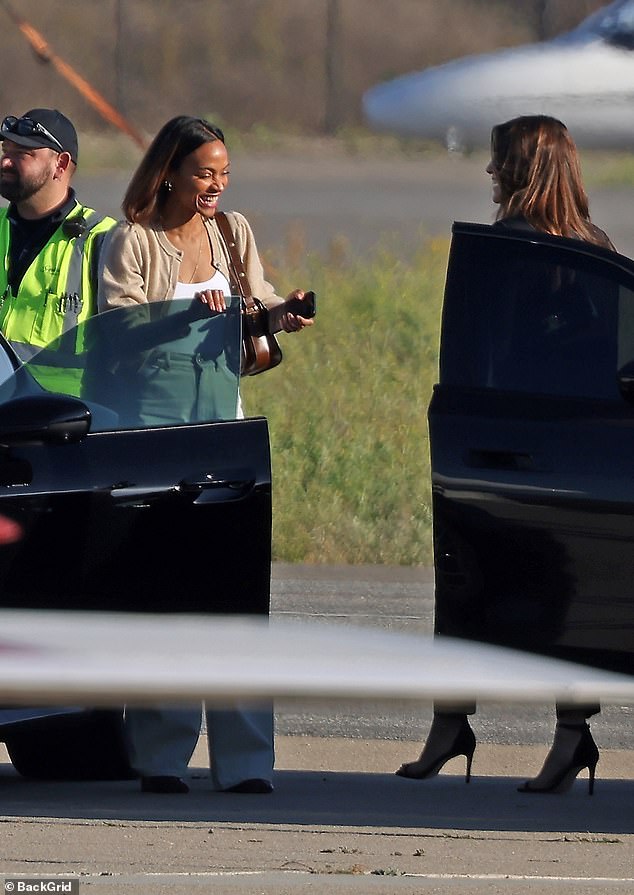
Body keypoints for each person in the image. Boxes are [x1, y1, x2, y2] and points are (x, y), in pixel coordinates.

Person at [396, 115, 614, 796]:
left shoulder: (514, 254)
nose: (489, 174)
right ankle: (568, 736)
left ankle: (454, 725)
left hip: (510, 447)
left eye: (499, 162)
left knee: (471, 588)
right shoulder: (594, 249)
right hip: (569, 449)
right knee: (563, 596)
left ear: (523, 170)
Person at [98, 115, 314, 795]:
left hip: (226, 431)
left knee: (235, 597)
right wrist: (188, 315)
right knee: (167, 595)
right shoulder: (129, 241)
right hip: (156, 435)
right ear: (169, 171)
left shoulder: (232, 231)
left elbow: (256, 301)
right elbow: (116, 332)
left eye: (223, 173)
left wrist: (283, 314)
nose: (215, 186)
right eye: (203, 173)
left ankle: (246, 764)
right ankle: (162, 758)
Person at [0, 109, 114, 395]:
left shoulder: (103, 239)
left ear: (60, 164)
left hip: (65, 420)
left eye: (22, 154)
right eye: (5, 149)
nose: (4, 161)